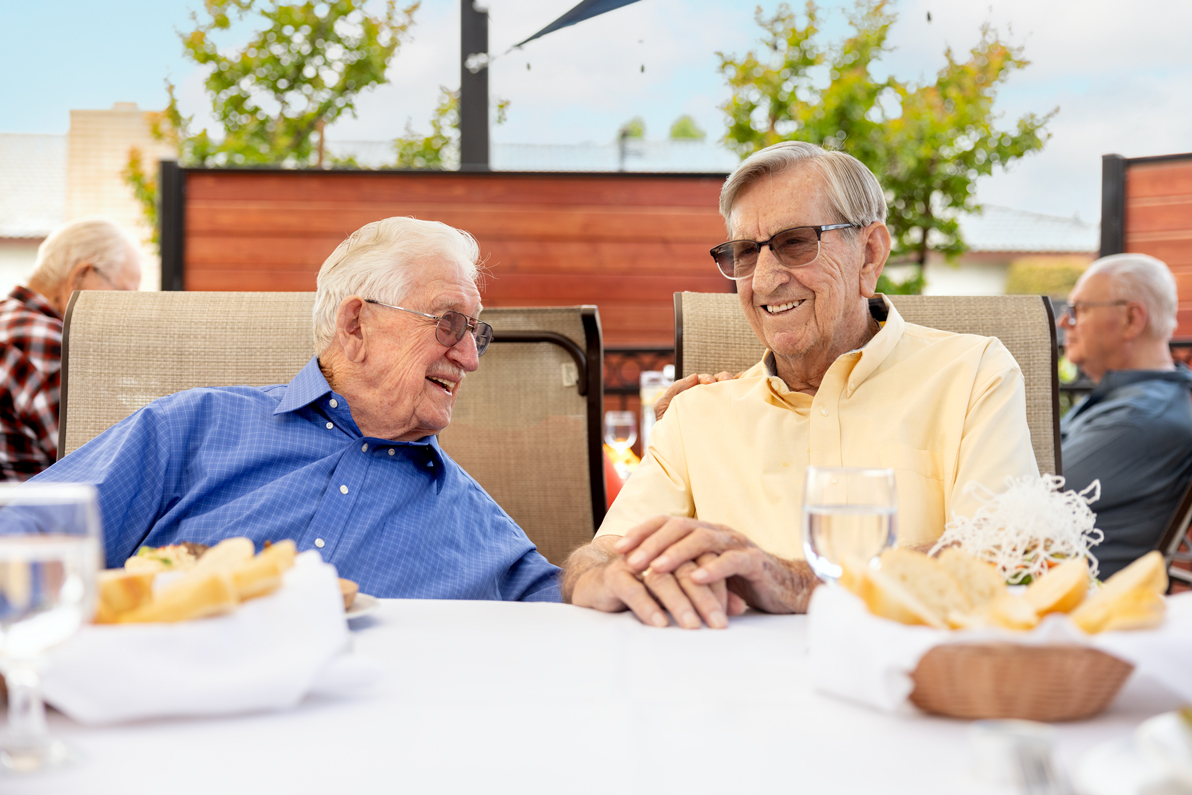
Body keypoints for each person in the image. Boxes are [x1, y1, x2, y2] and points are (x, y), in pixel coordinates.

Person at [563, 141, 1038, 629]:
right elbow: (603, 555)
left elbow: (1005, 553)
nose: (765, 280)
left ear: (870, 254)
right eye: (745, 253)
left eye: (795, 243)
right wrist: (597, 577)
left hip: (913, 683)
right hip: (734, 694)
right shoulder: (695, 414)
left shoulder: (973, 372)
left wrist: (795, 581)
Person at [32, 217, 561, 601]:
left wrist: (601, 565)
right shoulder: (190, 429)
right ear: (356, 324)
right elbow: (25, 535)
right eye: (449, 323)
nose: (469, 358)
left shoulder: (477, 523)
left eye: (476, 333)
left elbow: (577, 604)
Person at [1058, 253, 1192, 578]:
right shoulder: (1137, 399)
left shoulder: (1140, 419)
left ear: (1132, 319)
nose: (1064, 322)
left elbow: (1017, 496)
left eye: (1079, 310)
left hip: (1075, 608)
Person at [0, 217, 142, 481]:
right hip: (37, 520)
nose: (128, 314)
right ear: (80, 277)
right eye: (125, 295)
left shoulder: (8, 320)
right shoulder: (49, 345)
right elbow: (103, 473)